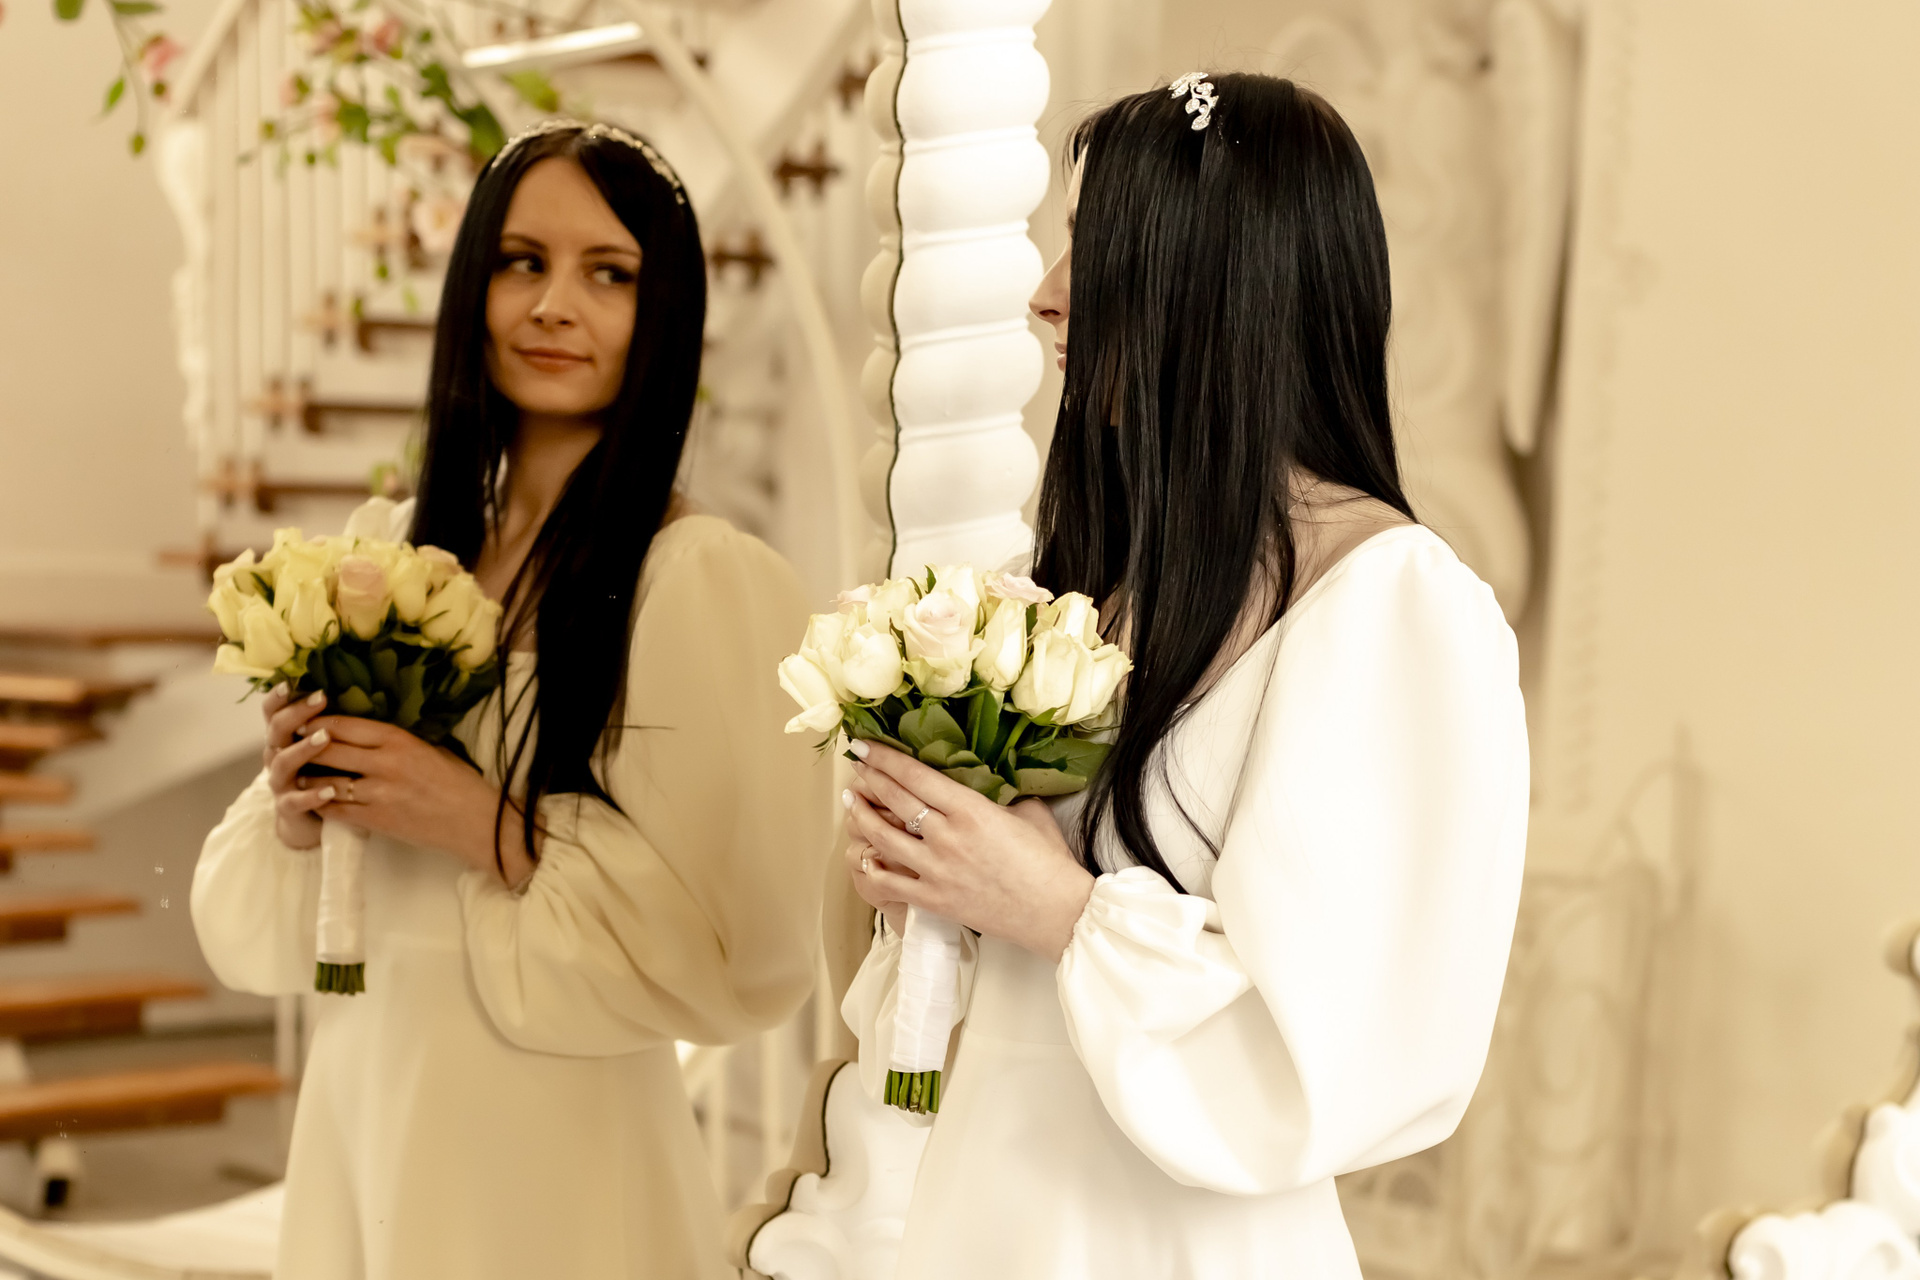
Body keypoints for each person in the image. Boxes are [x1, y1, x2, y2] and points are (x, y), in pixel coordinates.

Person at [840, 75, 1529, 1277]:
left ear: (1224, 279)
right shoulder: (1090, 586)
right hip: (985, 1216)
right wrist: (929, 871)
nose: (1048, 293)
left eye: (1098, 246)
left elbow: (1343, 1051)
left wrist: (1054, 907)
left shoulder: (1395, 608)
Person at [191, 120, 832, 1280]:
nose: (552, 306)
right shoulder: (387, 553)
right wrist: (297, 805)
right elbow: (253, 926)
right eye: (522, 261)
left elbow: (739, 952)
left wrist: (478, 819)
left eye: (609, 273)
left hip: (551, 1144)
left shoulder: (698, 580)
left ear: (664, 310)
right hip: (367, 1100)